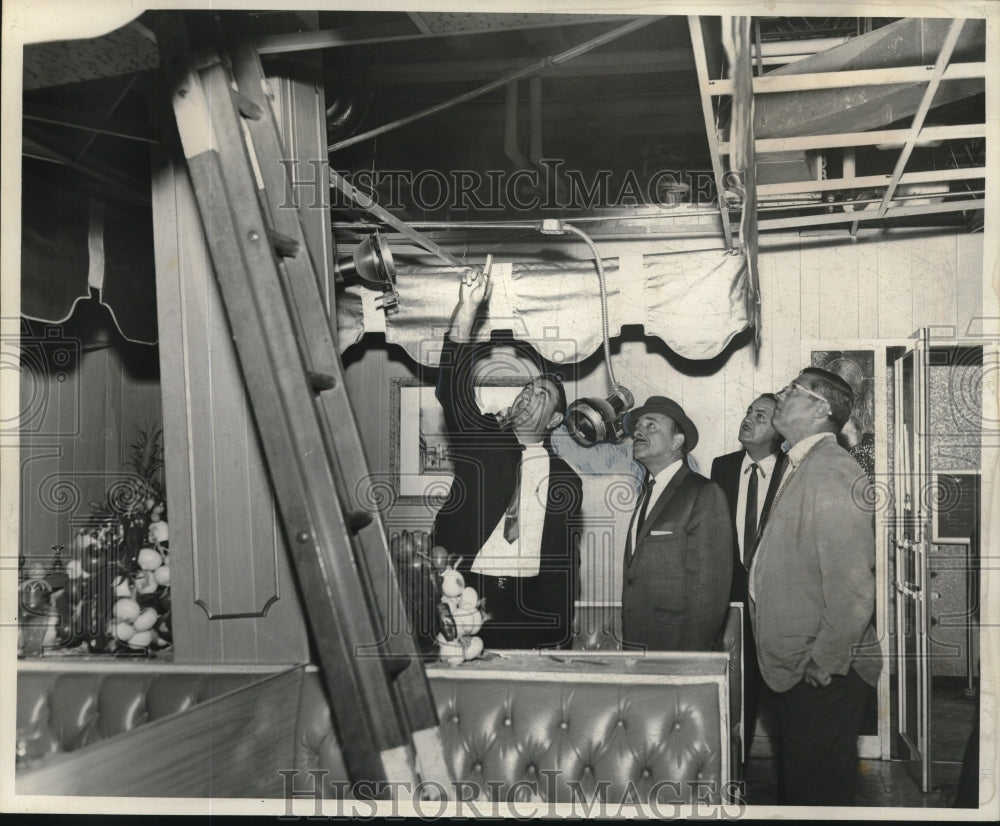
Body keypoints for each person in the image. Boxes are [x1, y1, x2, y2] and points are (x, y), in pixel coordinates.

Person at [431, 268, 582, 650]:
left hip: (532, 607)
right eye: (527, 389)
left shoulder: (566, 479)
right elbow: (453, 390)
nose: (529, 396)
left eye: (542, 395)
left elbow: (565, 561)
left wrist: (561, 627)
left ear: (556, 420)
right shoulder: (483, 441)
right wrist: (467, 307)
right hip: (469, 595)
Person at [749, 367, 881, 806]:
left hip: (822, 673)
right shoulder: (802, 463)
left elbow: (855, 588)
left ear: (821, 409)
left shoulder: (833, 471)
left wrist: (823, 661)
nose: (782, 395)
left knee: (816, 796)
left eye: (792, 390)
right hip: (800, 668)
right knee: (804, 789)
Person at [620, 396, 732, 651]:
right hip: (638, 644)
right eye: (637, 427)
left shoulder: (703, 492)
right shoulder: (647, 493)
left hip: (678, 649)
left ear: (676, 441)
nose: (638, 431)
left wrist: (690, 661)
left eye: (651, 425)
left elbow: (710, 594)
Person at [710, 393, 787, 759]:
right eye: (747, 412)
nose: (748, 419)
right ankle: (734, 775)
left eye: (760, 415)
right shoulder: (721, 467)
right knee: (738, 693)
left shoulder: (793, 469)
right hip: (732, 602)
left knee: (781, 699)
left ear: (779, 428)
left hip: (776, 603)